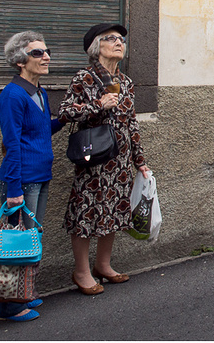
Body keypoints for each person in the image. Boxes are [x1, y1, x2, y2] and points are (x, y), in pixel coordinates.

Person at [59, 23, 151, 295]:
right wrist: (98, 105)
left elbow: (131, 122)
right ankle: (81, 271)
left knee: (114, 210)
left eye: (121, 39)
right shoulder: (84, 77)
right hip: (94, 156)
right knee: (87, 210)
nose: (119, 42)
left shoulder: (126, 82)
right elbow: (65, 112)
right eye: (111, 39)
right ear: (96, 47)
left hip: (120, 159)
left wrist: (139, 160)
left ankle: (103, 265)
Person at [0, 30, 63, 322]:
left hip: (40, 176)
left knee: (30, 240)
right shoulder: (12, 95)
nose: (46, 57)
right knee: (18, 245)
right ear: (20, 60)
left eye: (46, 52)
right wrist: (13, 190)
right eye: (37, 53)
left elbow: (42, 130)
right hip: (21, 181)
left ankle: (21, 294)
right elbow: (12, 144)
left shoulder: (40, 92)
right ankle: (9, 307)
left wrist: (67, 118)